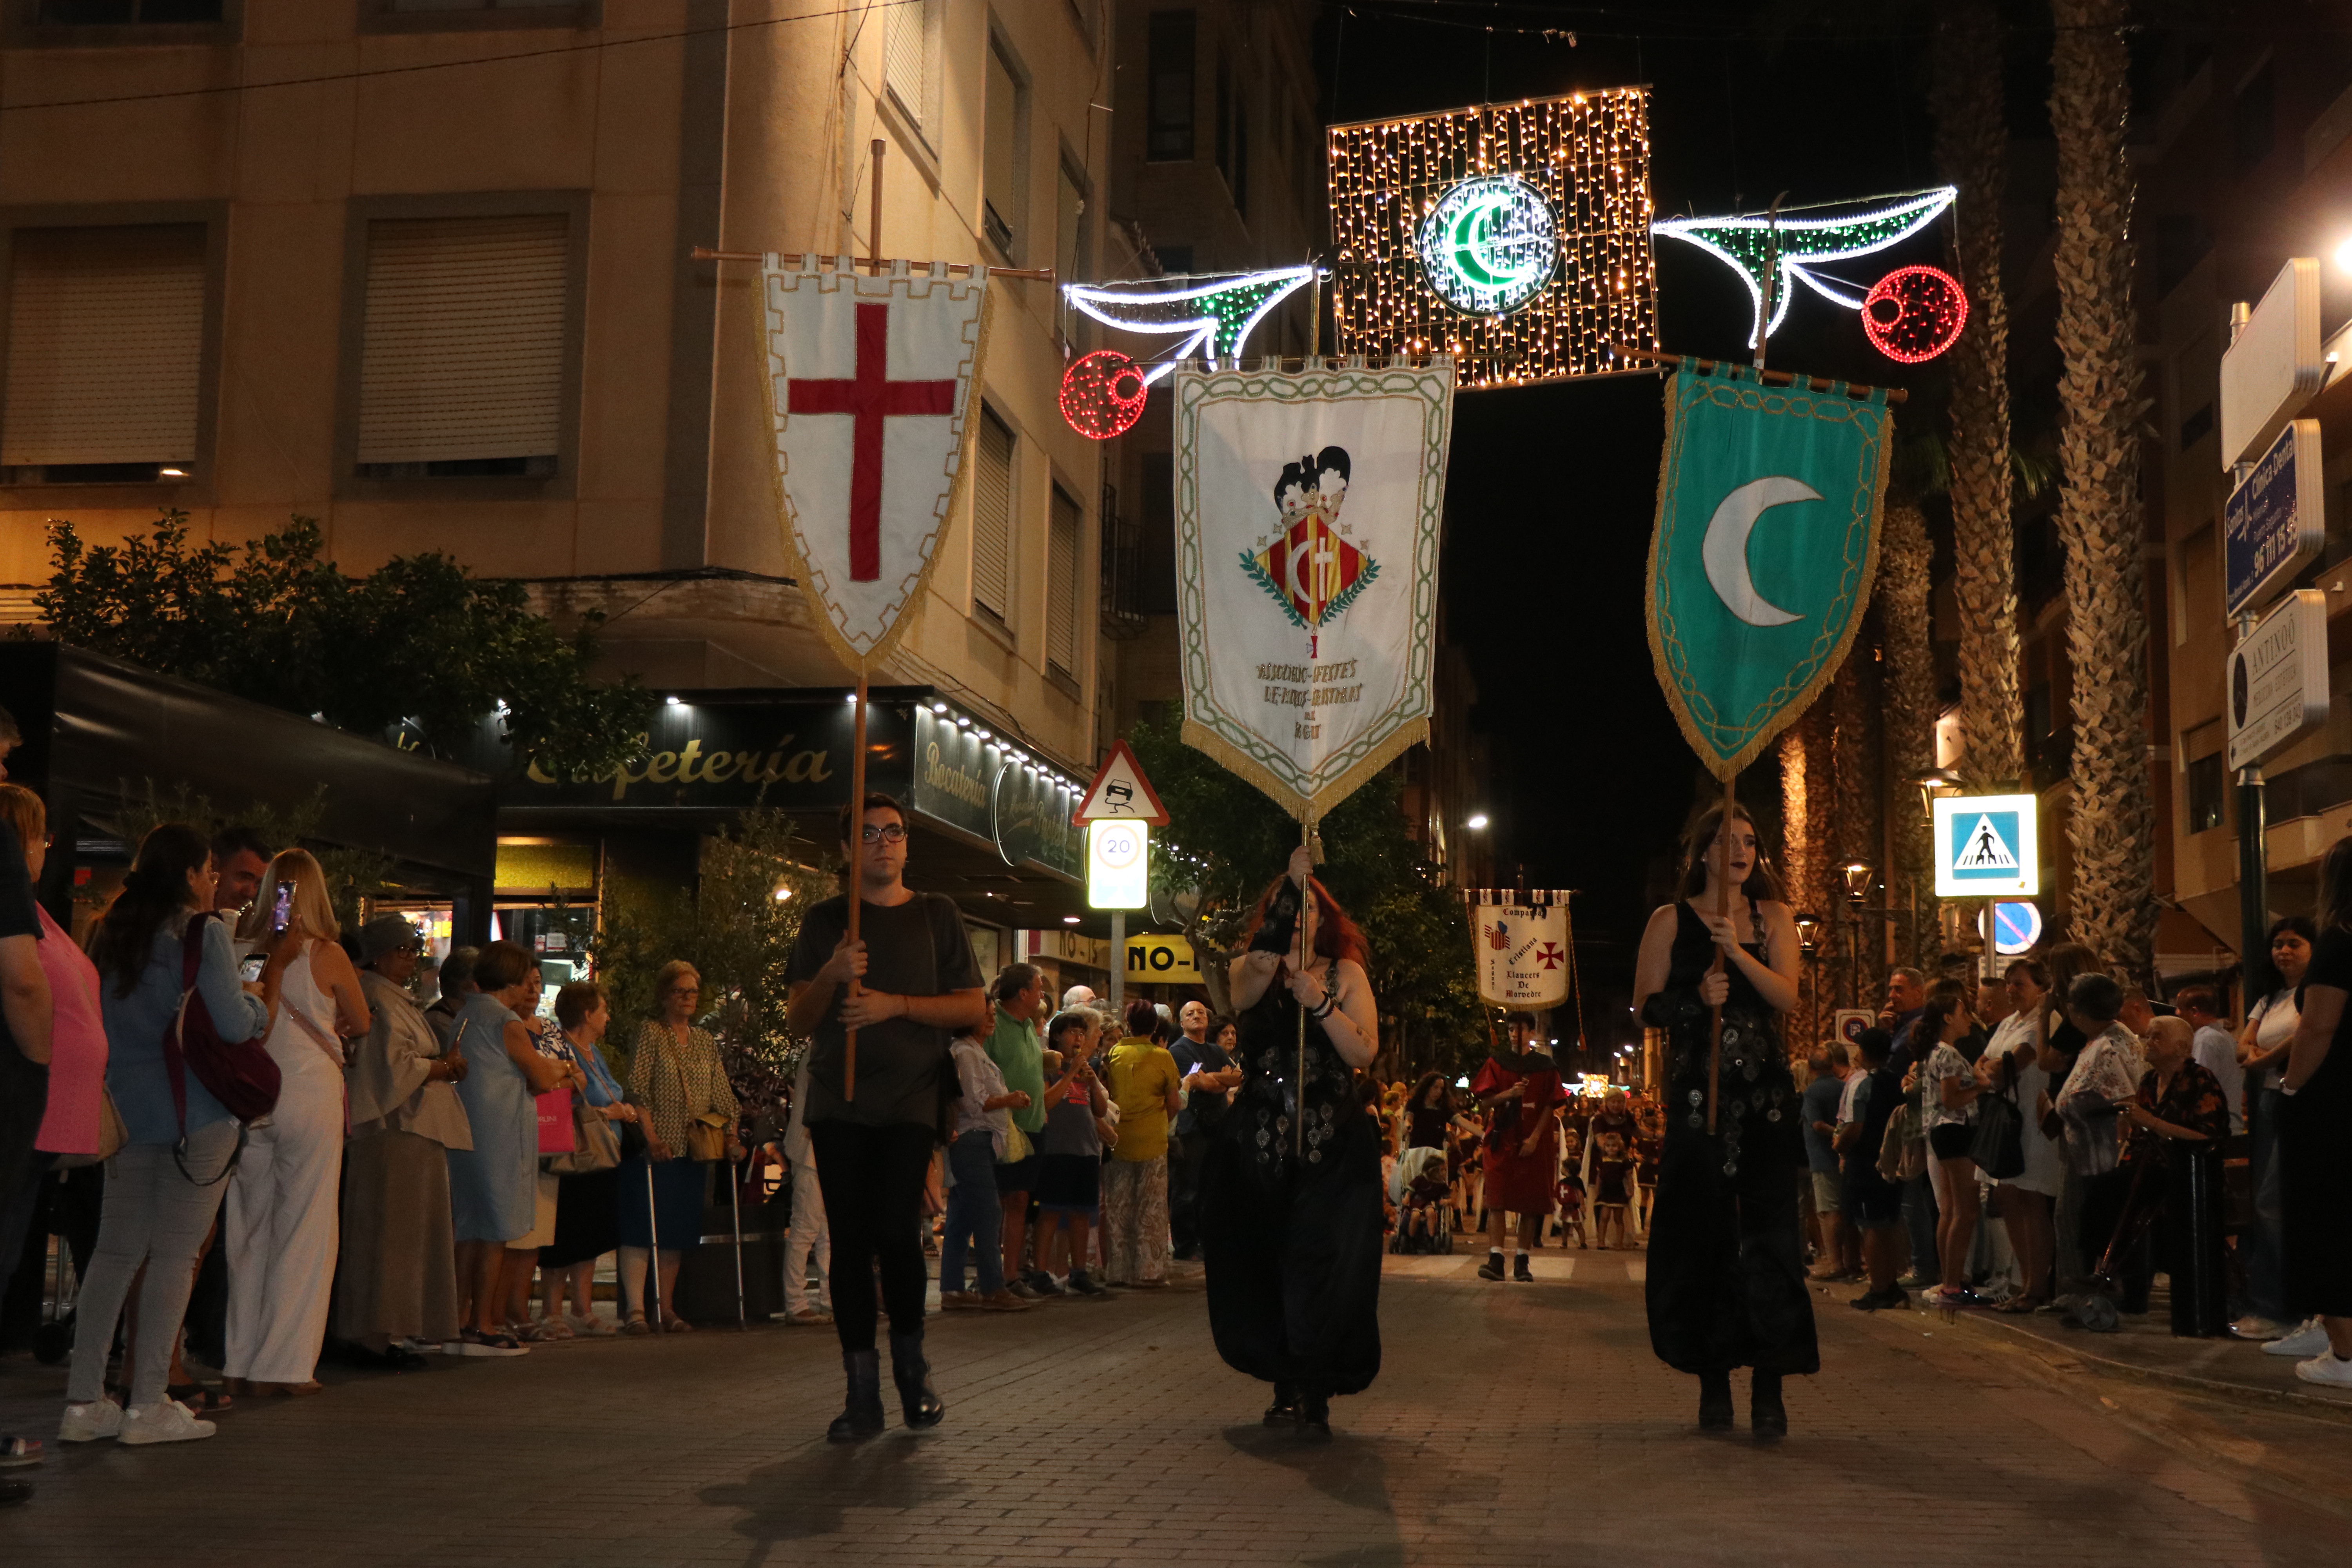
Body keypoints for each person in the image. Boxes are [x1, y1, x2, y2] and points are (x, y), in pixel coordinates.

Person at [783, 792, 985, 1442]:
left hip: (910, 1099)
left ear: (906, 843)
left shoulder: (936, 915)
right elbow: (797, 1019)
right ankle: (860, 1390)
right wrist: (832, 975)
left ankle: (911, 1367)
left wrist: (894, 1004)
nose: (882, 843)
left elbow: (971, 1008)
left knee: (897, 1234)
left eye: (893, 832)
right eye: (868, 834)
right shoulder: (823, 922)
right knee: (847, 1243)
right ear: (848, 850)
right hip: (838, 1101)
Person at [62, 825, 266, 1447]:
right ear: (188, 875)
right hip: (194, 1114)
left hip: (126, 1113)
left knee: (114, 1253)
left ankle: (84, 1399)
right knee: (177, 1255)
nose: (213, 881)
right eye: (209, 870)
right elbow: (233, 1024)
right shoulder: (203, 933)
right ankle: (148, 1400)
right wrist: (258, 1001)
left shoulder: (109, 931)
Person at [1632, 801, 1813, 1439]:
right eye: (1727, 840)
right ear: (1703, 851)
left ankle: (1770, 1382)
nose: (1741, 850)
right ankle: (1714, 1381)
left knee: (1769, 1238)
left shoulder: (1774, 919)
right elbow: (1645, 1009)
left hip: (1763, 1101)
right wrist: (1691, 1001)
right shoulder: (1669, 921)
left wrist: (1736, 954)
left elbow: (1787, 996)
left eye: (1750, 841)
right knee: (1705, 1237)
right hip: (1697, 1103)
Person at [1203, 843, 1383, 1438]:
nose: (1299, 918)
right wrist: (1289, 885)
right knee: (1268, 1259)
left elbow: (1363, 1051)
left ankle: (1314, 1386)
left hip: (1332, 1142)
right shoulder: (1251, 967)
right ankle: (1285, 1378)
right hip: (1259, 1143)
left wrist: (1322, 1003)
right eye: (1287, 908)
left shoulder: (1346, 973)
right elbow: (1247, 988)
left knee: (1319, 1261)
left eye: (1308, 909)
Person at [218, 851, 370, 1398]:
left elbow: (245, 1011)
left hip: (254, 1093)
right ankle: (283, 1367)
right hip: (310, 1093)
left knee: (248, 1229)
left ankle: (238, 1359)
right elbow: (363, 1020)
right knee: (305, 1230)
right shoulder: (328, 955)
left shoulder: (240, 947)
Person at [339, 914, 469, 1368]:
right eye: (402, 950)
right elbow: (393, 1066)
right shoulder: (377, 997)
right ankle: (374, 1333)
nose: (411, 959)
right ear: (378, 955)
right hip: (395, 1128)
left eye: (414, 950)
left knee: (405, 1233)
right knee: (392, 1235)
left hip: (411, 1128)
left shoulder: (394, 998)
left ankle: (389, 1329)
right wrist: (441, 1067)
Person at [444, 940, 570, 1356]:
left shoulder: (464, 1015)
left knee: (468, 1227)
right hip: (500, 1132)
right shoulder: (506, 1022)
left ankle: (458, 1319)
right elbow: (540, 1075)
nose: (529, 991)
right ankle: (484, 1322)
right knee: (496, 1229)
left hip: (465, 1130)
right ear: (512, 982)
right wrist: (564, 1067)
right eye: (525, 982)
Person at [618, 960, 741, 1334]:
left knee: (676, 1230)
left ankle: (667, 1308)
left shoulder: (704, 1041)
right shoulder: (652, 1033)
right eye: (679, 991)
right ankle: (637, 1309)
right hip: (658, 1147)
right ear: (664, 995)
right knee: (643, 1225)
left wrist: (732, 1134)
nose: (687, 998)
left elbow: (723, 1095)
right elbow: (637, 1087)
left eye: (692, 992)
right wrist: (652, 1137)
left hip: (694, 1148)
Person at [2090, 1015, 2228, 1319]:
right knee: (2106, 1191)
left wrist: (2151, 1122)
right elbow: (2138, 1137)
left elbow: (2207, 1134)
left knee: (2119, 1192)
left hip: (2186, 1170)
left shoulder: (2199, 1079)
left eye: (2157, 1038)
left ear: (2180, 1047)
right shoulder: (2150, 1082)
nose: (2147, 1043)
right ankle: (2116, 1274)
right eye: (2147, 1036)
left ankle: (2119, 1276)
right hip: (2146, 1166)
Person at [2276, 837, 2352, 1386]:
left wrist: (2292, 1088)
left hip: (2335, 1102)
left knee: (2327, 1219)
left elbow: (2319, 1025)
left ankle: (2347, 1353)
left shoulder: (2338, 943)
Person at [539, 980, 635, 1337]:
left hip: (605, 1153)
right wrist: (609, 1112)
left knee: (594, 1231)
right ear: (587, 1013)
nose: (608, 1017)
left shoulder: (595, 1051)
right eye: (604, 1010)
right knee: (567, 1231)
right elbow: (561, 1097)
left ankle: (583, 1306)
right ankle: (552, 1310)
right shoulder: (562, 1050)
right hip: (577, 1151)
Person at [2235, 916, 2314, 1346]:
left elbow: (2307, 1036)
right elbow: (2242, 1045)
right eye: (2278, 944)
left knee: (2274, 1202)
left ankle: (2284, 1307)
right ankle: (2272, 1303)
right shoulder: (2269, 998)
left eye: (2295, 944)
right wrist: (2259, 1056)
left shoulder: (2314, 995)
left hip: (2295, 1097)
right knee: (2266, 1202)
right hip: (2268, 1101)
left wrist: (2265, 1059)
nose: (2283, 951)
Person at [2055, 973, 2145, 1295]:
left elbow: (2126, 1099)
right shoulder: (2104, 1039)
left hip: (2102, 1156)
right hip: (2089, 1153)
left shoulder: (2109, 1046)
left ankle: (2085, 1292)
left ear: (2076, 1012)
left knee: (2085, 1223)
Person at [1982, 958, 2062, 1312]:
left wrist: (1993, 1071)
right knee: (2007, 1195)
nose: (2011, 990)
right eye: (2008, 983)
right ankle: (2025, 1279)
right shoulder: (2008, 1023)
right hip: (2008, 1122)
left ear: (2042, 988)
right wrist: (1992, 1071)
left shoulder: (2045, 1023)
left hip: (2033, 1120)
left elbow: (2009, 1067)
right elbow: (1983, 1064)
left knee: (2031, 1199)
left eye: (2020, 984)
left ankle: (2037, 1285)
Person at [940, 1021, 1031, 1311]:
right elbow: (972, 1101)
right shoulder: (965, 1053)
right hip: (971, 1140)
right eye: (988, 1014)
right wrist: (1009, 1099)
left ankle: (953, 1289)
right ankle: (992, 1286)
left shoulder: (976, 1051)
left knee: (963, 1214)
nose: (993, 1020)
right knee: (987, 1212)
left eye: (994, 1014)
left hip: (980, 1142)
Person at [1469, 1012, 1564, 1281]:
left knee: (1530, 1204)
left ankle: (1522, 1260)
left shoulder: (1546, 1066)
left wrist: (1535, 1138)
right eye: (1511, 1029)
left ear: (1532, 1034)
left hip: (1534, 1141)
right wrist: (1508, 1095)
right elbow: (1484, 1103)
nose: (1514, 1035)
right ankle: (1496, 1259)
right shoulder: (1496, 1063)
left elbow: (1550, 1104)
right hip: (1503, 1139)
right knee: (1497, 1200)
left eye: (1520, 1030)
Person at [1102, 998, 1184, 1288]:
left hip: (1118, 1140)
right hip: (1152, 1139)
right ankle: (1149, 1271)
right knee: (1151, 1207)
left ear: (1128, 1024)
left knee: (1119, 1206)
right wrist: (1162, 1118)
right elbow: (1174, 1101)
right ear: (1155, 1027)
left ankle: (1119, 1271)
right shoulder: (1163, 1057)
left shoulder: (1114, 1053)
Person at [980, 964, 1049, 1299]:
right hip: (1002, 1128)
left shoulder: (1028, 1027)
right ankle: (990, 1274)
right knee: (996, 1202)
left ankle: (1011, 1273)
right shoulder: (994, 1025)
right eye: (1038, 988)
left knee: (1020, 1200)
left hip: (1033, 1126)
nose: (1041, 995)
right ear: (1022, 993)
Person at [1911, 985, 1983, 1306]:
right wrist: (1983, 1087)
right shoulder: (1949, 1054)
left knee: (1951, 1210)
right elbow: (1951, 1098)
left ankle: (1948, 1281)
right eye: (1963, 1012)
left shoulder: (1933, 1053)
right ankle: (1953, 1285)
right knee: (1966, 1210)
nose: (1968, 1018)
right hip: (1955, 1130)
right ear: (1948, 1017)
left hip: (1940, 1133)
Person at [1032, 1009, 1111, 1295]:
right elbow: (1047, 1103)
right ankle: (1040, 1273)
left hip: (1087, 1149)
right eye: (1073, 1033)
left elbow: (1100, 1110)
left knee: (1081, 1213)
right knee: (1051, 1211)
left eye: (1082, 1033)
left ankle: (1079, 1272)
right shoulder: (1049, 1066)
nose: (1079, 1038)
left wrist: (1091, 1080)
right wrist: (1072, 1073)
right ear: (1057, 1037)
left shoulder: (1087, 1067)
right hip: (1057, 1149)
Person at [1839, 1029, 1908, 1311]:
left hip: (1866, 1162)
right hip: (1893, 1160)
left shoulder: (1863, 1083)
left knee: (1871, 1227)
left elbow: (1854, 1127)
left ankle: (1879, 1287)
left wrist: (1840, 1147)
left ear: (1863, 1053)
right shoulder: (1897, 1081)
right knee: (1888, 1225)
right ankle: (1890, 1283)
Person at [1168, 998, 1238, 1262]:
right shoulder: (1179, 1050)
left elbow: (1237, 1077)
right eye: (1190, 1013)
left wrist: (1214, 1079)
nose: (1197, 1016)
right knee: (1188, 1187)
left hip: (1218, 1126)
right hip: (1192, 1127)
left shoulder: (1215, 1050)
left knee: (1211, 1187)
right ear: (1182, 1021)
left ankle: (1206, 1239)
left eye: (1201, 1012)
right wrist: (1220, 1080)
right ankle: (1185, 1244)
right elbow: (1202, 1084)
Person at [776, 1051, 832, 1326]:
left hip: (820, 1151)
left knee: (825, 1232)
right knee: (807, 1229)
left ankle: (828, 1298)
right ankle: (796, 1302)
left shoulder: (823, 1047)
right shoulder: (821, 1050)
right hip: (812, 1151)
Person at [1800, 1045, 1856, 1281]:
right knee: (1845, 1211)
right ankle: (1851, 1261)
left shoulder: (1813, 1092)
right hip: (1844, 1157)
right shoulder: (1844, 1087)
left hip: (1823, 1158)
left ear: (1811, 1068)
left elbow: (1817, 1125)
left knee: (1828, 1212)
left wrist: (1837, 1134)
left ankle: (1835, 1265)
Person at [2174, 987, 2241, 1136]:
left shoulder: (2205, 1039)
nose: (2178, 1016)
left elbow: (2196, 1087)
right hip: (2227, 1124)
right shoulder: (2224, 1036)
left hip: (2215, 1128)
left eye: (2180, 1012)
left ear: (2194, 1012)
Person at [1403, 1072, 1453, 1152]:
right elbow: (1409, 1118)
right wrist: (1408, 1125)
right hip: (1417, 1151)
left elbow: (1460, 1120)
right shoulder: (1415, 1103)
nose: (1439, 1092)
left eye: (1441, 1089)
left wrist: (1481, 1134)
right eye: (1435, 1087)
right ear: (1427, 1087)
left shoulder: (1443, 1108)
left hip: (1437, 1152)